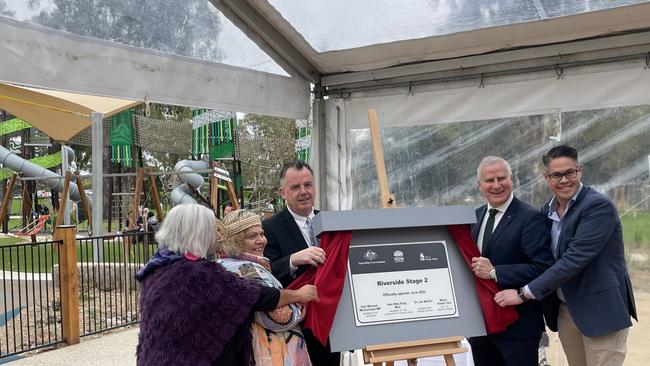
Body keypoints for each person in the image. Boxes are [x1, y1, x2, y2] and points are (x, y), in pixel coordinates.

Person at [495, 146, 637, 366]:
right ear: (546, 177)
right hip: (566, 311)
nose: (564, 180)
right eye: (556, 175)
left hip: (600, 311)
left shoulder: (598, 207)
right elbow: (540, 258)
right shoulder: (546, 211)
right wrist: (496, 270)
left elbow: (572, 261)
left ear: (579, 171)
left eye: (569, 172)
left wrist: (523, 293)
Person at [135, 203, 319, 365]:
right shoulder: (203, 273)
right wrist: (299, 296)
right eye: (212, 229)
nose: (218, 235)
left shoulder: (156, 269)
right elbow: (259, 297)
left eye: (261, 233)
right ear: (198, 232)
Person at [469, 156, 554, 366]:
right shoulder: (474, 217)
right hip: (482, 327)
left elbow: (543, 268)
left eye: (502, 178)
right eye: (490, 180)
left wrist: (496, 272)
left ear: (511, 179)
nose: (496, 185)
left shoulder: (530, 218)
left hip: (519, 327)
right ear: (480, 185)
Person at [263, 160, 339, 366]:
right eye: (295, 187)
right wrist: (293, 260)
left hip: (333, 323)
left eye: (308, 185)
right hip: (296, 326)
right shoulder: (269, 227)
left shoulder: (333, 222)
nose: (303, 192)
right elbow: (265, 274)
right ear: (283, 192)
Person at [218, 209, 312, 365]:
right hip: (271, 356)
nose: (261, 240)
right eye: (251, 236)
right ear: (235, 240)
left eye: (261, 234)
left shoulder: (224, 265)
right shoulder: (246, 269)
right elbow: (281, 317)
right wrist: (301, 301)